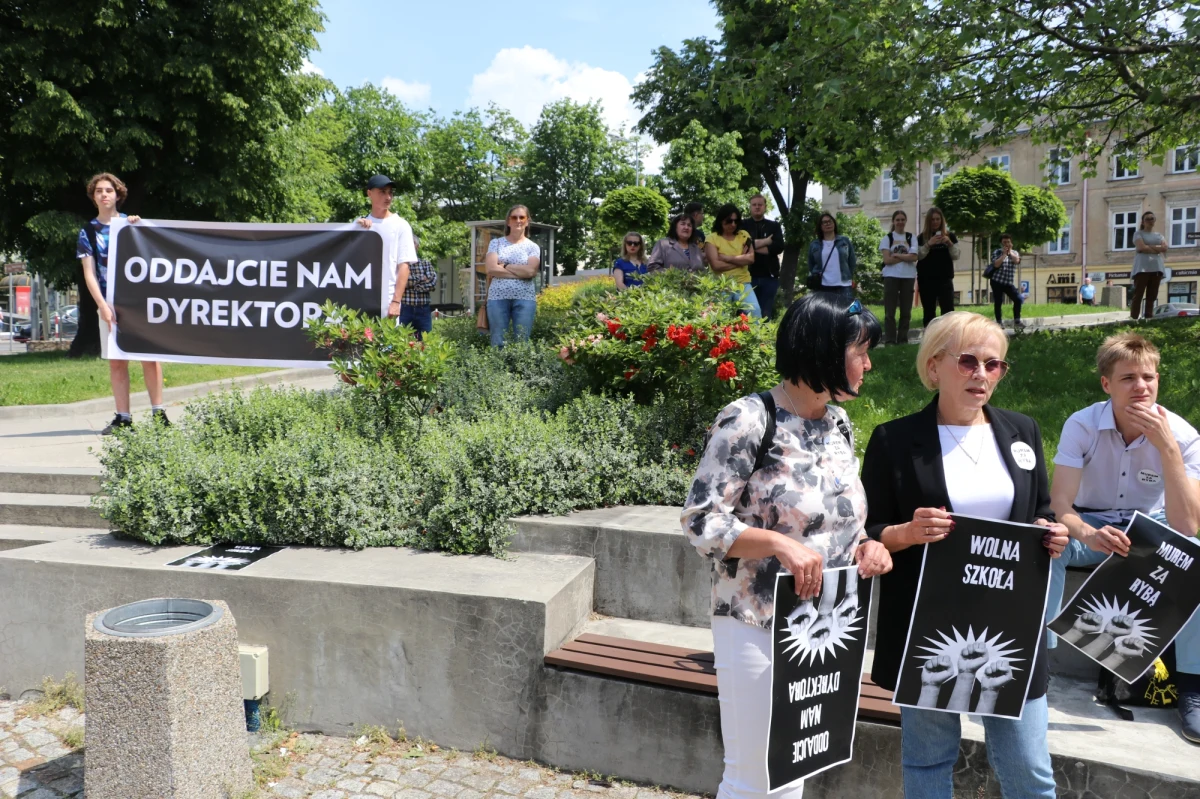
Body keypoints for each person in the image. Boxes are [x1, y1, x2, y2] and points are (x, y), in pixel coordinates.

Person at [681, 292, 893, 799]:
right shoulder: (750, 418)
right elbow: (700, 521)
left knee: (792, 772)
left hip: (824, 624)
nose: (868, 363)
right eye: (860, 351)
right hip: (758, 622)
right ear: (823, 350)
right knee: (754, 778)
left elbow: (839, 515)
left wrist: (866, 545)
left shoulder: (837, 422)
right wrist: (777, 543)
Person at [861, 311, 1069, 799]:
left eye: (994, 364)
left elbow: (1039, 510)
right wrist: (908, 532)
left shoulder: (1023, 432)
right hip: (928, 626)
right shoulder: (893, 440)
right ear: (933, 367)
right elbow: (868, 533)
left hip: (1011, 624)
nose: (982, 374)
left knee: (1028, 766)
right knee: (929, 761)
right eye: (969, 361)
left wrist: (1049, 532)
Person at [1045, 332, 1200, 741]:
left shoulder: (1182, 436)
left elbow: (1188, 527)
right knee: (1049, 542)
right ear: (1106, 384)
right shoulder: (1081, 425)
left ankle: (1193, 689)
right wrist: (1089, 533)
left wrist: (1167, 451)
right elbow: (1061, 506)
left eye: (1148, 377)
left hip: (1150, 536)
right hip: (1091, 526)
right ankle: (1037, 669)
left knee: (1196, 556)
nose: (1141, 387)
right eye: (1128, 378)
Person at [76, 173, 168, 435]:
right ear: (93, 197)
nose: (104, 195)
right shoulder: (88, 232)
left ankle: (158, 414)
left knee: (149, 358)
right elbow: (89, 273)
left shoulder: (131, 225)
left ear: (118, 194)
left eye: (109, 190)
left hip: (139, 303)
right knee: (117, 362)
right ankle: (123, 418)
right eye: (98, 191)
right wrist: (102, 306)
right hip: (109, 305)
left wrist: (139, 228)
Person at [355, 174, 417, 320]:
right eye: (382, 192)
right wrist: (355, 228)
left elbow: (404, 266)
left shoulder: (401, 225)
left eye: (390, 192)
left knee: (385, 342)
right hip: (359, 300)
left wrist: (396, 301)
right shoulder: (359, 224)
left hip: (387, 301)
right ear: (369, 193)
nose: (388, 197)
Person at [484, 204, 541, 347]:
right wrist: (521, 273)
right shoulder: (496, 243)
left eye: (522, 217)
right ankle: (498, 369)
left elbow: (531, 272)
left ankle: (519, 370)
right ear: (508, 221)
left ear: (527, 221)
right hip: (497, 297)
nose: (518, 220)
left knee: (522, 341)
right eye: (514, 217)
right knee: (498, 341)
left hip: (525, 299)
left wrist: (506, 266)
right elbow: (491, 269)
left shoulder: (532, 247)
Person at [705, 204, 763, 318]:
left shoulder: (744, 235)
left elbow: (751, 258)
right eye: (729, 221)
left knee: (755, 312)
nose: (733, 224)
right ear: (721, 220)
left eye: (736, 221)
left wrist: (727, 258)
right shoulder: (711, 238)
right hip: (721, 285)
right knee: (720, 318)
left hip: (742, 283)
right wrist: (740, 259)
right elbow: (716, 266)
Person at [741, 194, 785, 318]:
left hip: (769, 276)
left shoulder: (774, 226)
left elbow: (778, 247)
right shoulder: (742, 225)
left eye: (760, 205)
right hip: (748, 277)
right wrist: (766, 242)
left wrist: (752, 246)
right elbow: (741, 246)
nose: (757, 207)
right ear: (750, 207)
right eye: (754, 205)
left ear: (765, 207)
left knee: (766, 314)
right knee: (747, 314)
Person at [879, 209, 919, 345]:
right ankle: (890, 340)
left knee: (906, 311)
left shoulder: (911, 237)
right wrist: (906, 257)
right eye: (898, 220)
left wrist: (897, 255)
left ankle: (903, 339)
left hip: (908, 277)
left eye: (902, 219)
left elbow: (914, 257)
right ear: (893, 221)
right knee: (889, 312)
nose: (900, 222)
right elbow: (887, 260)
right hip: (891, 276)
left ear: (905, 221)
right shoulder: (887, 238)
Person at [916, 207, 960, 330]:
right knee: (929, 311)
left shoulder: (950, 236)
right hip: (926, 279)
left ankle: (948, 335)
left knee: (948, 310)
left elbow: (956, 255)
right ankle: (930, 338)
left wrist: (949, 244)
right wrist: (929, 244)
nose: (935, 222)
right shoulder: (921, 237)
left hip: (945, 278)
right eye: (932, 220)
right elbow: (918, 256)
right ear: (928, 222)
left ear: (942, 220)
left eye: (937, 219)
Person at [806, 212, 856, 303]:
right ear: (820, 226)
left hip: (843, 285)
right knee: (823, 315)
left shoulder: (844, 241)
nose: (828, 224)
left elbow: (852, 261)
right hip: (822, 286)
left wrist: (849, 276)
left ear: (834, 223)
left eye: (830, 221)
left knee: (846, 315)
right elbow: (811, 264)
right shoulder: (814, 245)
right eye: (824, 222)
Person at [398, 234, 438, 339]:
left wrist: (409, 282)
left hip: (423, 309)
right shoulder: (400, 265)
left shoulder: (426, 264)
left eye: (413, 244)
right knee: (402, 341)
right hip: (405, 308)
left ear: (417, 247)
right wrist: (421, 279)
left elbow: (432, 283)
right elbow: (399, 283)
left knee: (425, 341)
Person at [1131, 211, 1167, 320]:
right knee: (1138, 294)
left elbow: (1164, 248)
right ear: (1143, 221)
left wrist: (1148, 247)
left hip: (1156, 268)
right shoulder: (1138, 233)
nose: (1150, 221)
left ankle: (1149, 317)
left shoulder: (1159, 235)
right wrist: (1156, 249)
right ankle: (1134, 318)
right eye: (1147, 219)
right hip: (1141, 268)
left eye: (1152, 218)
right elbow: (1141, 247)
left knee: (1152, 295)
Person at [988, 233, 1024, 328]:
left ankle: (1017, 320)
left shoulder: (1015, 253)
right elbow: (996, 264)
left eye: (1008, 242)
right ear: (1001, 243)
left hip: (1008, 282)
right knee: (998, 301)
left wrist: (1010, 252)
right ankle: (999, 322)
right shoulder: (997, 252)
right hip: (997, 281)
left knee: (1018, 299)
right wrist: (1004, 254)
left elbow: (1017, 261)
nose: (1006, 244)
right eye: (1004, 242)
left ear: (1011, 243)